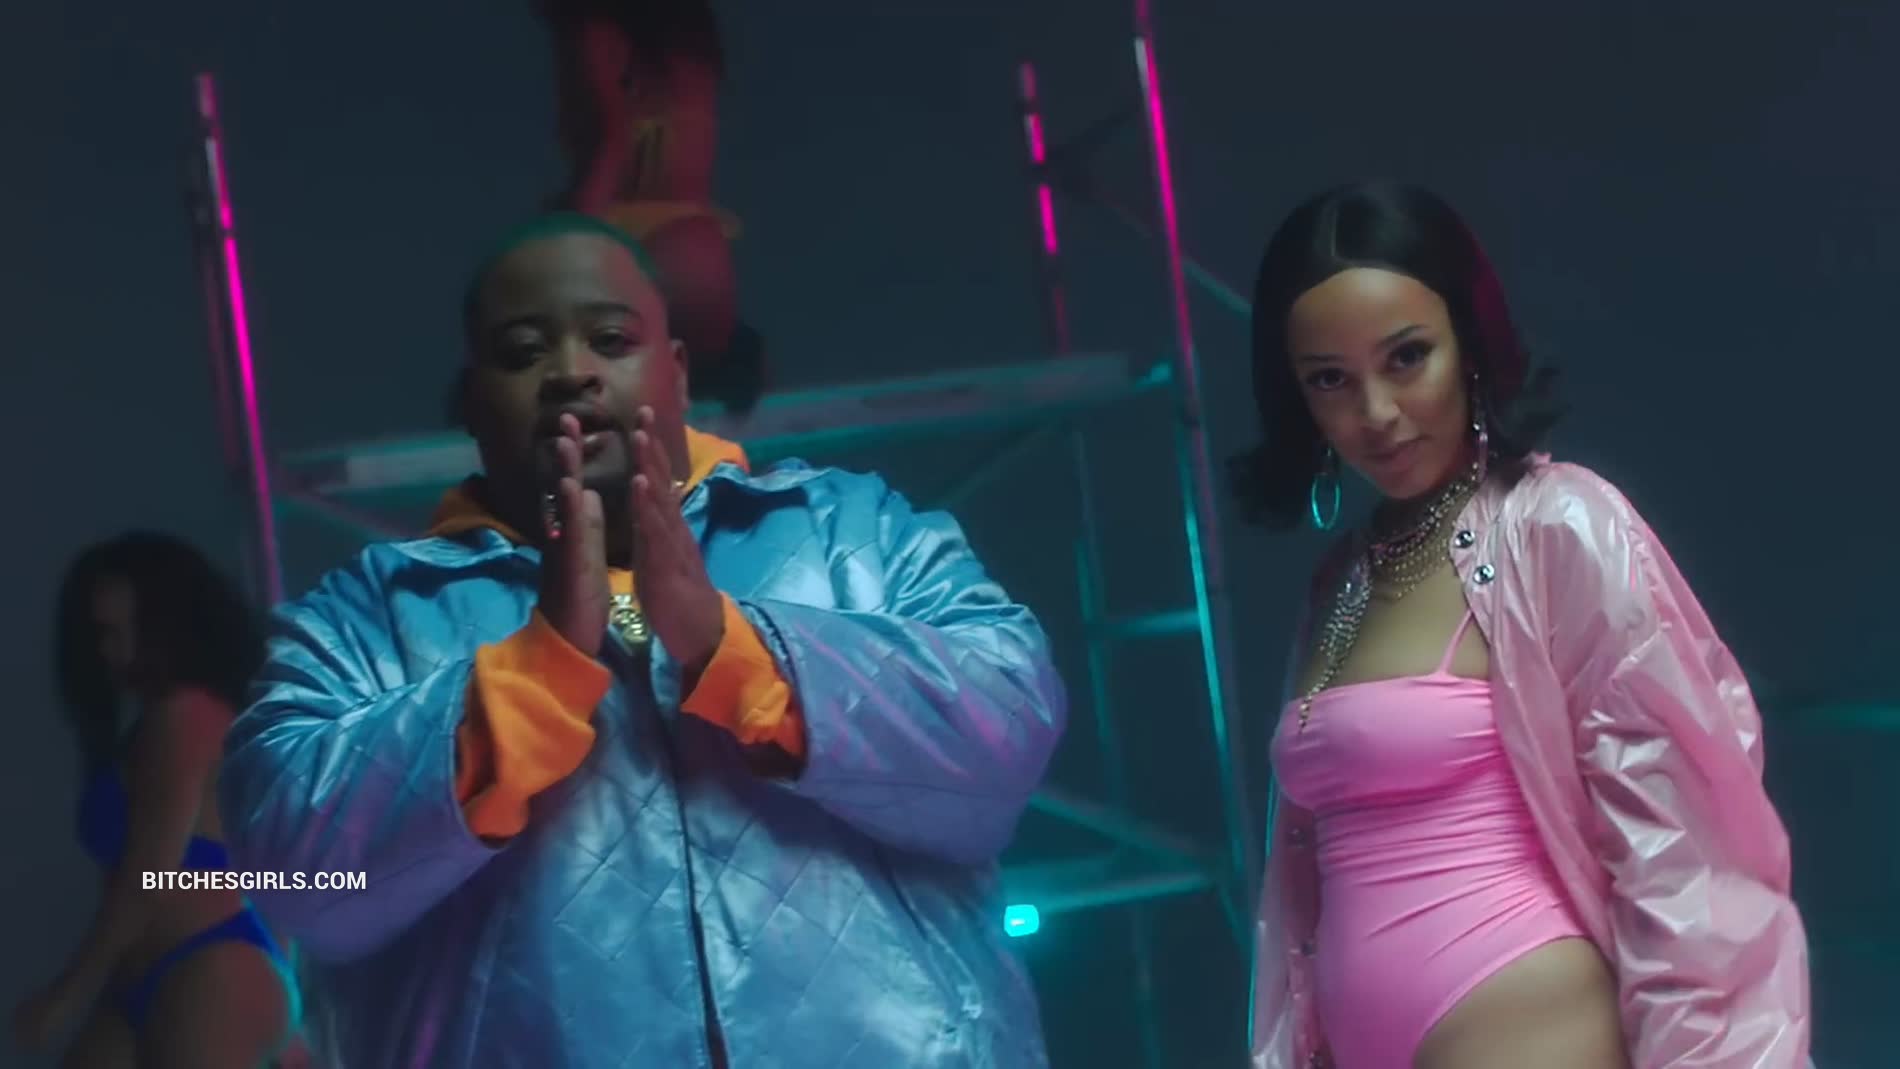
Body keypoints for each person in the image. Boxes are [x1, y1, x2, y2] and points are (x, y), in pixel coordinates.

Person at [217, 212, 1067, 1068]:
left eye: (612, 340)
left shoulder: (854, 528)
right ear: (472, 405)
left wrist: (732, 645)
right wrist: (537, 670)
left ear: (678, 373)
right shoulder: (366, 617)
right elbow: (291, 880)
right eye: (522, 352)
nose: (571, 373)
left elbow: (1011, 727)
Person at [1234, 181, 1811, 1069]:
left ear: (1469, 343)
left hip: (1524, 1021)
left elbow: (1690, 856)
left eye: (1406, 357)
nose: (1376, 412)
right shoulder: (1342, 577)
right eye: (1330, 379)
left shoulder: (1559, 524)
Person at [16, 532, 298, 1068]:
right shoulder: (160, 725)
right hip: (164, 977)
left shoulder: (184, 716)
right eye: (101, 633)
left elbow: (149, 873)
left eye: (130, 631)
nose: (114, 653)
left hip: (211, 970)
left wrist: (68, 993)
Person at [538, 0, 765, 413]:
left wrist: (568, 246)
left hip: (641, 248)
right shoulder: (689, 45)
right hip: (698, 256)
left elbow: (610, 141)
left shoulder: (597, 33)